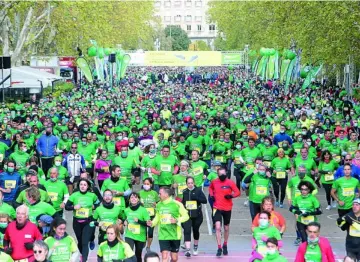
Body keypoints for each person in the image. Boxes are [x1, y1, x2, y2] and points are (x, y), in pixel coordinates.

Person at [147, 187, 189, 262]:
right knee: (164, 256)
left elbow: (186, 216)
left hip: (175, 235)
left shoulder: (177, 204)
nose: (158, 195)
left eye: (160, 194)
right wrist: (152, 223)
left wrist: (177, 220)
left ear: (166, 194)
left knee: (174, 258)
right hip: (163, 235)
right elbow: (157, 217)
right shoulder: (159, 204)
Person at [65, 178, 99, 262]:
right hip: (77, 222)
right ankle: (82, 254)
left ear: (87, 186)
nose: (82, 186)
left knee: (84, 242)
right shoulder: (74, 195)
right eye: (81, 184)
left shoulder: (92, 195)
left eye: (84, 185)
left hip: (88, 221)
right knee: (80, 242)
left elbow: (98, 202)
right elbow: (66, 207)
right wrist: (74, 207)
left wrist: (95, 206)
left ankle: (84, 259)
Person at [209, 167, 240, 257]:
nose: (222, 175)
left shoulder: (230, 182)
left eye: (224, 174)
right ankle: (219, 247)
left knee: (226, 228)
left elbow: (237, 192)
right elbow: (210, 188)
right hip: (217, 207)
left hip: (227, 208)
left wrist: (231, 196)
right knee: (218, 227)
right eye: (220, 174)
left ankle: (225, 244)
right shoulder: (214, 181)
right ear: (217, 174)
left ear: (226, 173)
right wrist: (211, 195)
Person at [181, 176, 207, 257]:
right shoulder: (185, 192)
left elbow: (205, 201)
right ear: (186, 184)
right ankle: (188, 250)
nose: (190, 185)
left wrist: (197, 198)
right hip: (187, 216)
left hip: (197, 216)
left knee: (195, 231)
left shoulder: (198, 190)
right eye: (188, 183)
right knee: (187, 231)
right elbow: (183, 202)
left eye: (191, 183)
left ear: (194, 183)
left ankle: (195, 247)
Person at [124, 192, 151, 262]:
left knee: (138, 255)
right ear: (129, 200)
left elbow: (148, 224)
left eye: (135, 197)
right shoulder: (126, 210)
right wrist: (125, 221)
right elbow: (123, 219)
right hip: (129, 235)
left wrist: (139, 221)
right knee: (128, 253)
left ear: (138, 199)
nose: (133, 199)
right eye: (132, 197)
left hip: (140, 236)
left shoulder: (143, 210)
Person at [139, 178, 159, 252]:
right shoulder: (140, 193)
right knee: (143, 231)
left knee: (150, 232)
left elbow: (158, 203)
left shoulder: (154, 193)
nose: (146, 185)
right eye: (145, 184)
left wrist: (155, 204)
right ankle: (143, 241)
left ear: (151, 185)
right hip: (143, 215)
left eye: (148, 184)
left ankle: (148, 246)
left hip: (152, 215)